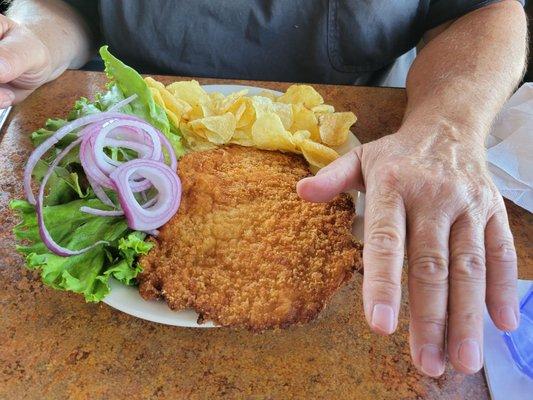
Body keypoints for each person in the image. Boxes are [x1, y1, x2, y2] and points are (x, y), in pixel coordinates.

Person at [0, 0, 527, 378]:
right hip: (138, 123)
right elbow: (66, 5)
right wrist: (37, 39)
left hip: (369, 141)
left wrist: (446, 130)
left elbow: (480, 8)